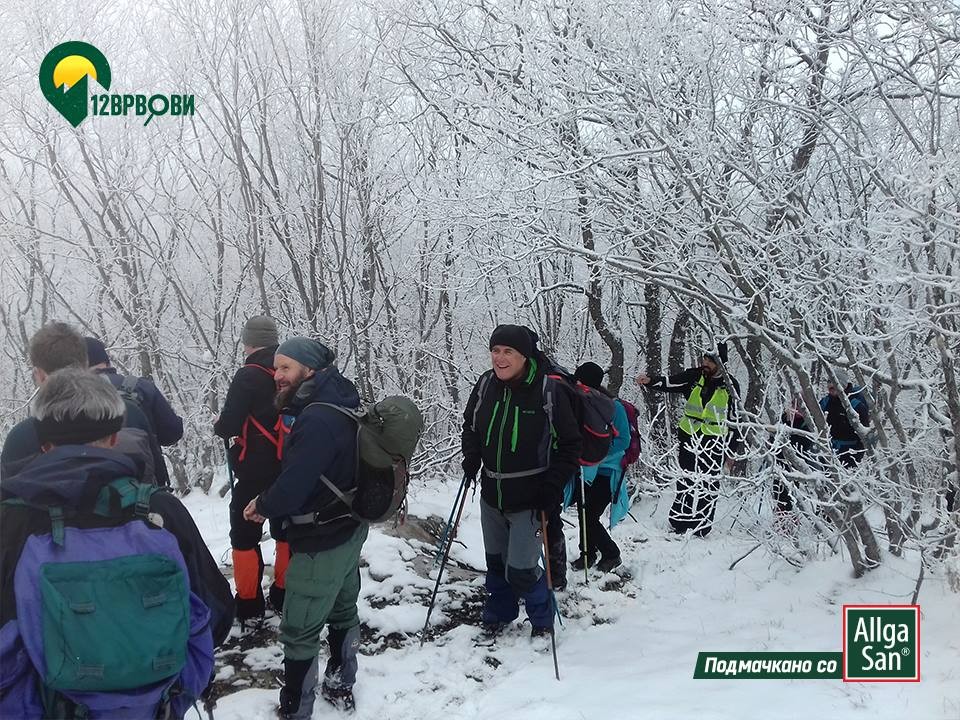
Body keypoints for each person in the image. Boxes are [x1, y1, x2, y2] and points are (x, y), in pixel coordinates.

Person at [0, 369, 232, 718]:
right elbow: (216, 612)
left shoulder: (11, 521)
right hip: (155, 708)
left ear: (44, 444)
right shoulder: (159, 510)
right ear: (113, 438)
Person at [242, 337, 367, 718]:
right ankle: (341, 684)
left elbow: (295, 483)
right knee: (343, 609)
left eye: (286, 368)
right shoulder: (340, 400)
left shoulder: (316, 419)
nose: (277, 375)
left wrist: (262, 505)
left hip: (320, 537)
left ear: (309, 370)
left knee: (299, 629)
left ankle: (296, 708)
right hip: (347, 527)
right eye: (276, 367)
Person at [461, 324, 581, 639]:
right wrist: (472, 455)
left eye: (508, 352)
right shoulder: (486, 384)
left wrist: (552, 486)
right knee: (496, 563)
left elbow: (570, 446)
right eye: (495, 350)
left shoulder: (547, 392)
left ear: (524, 356)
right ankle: (499, 613)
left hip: (531, 497)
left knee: (523, 570)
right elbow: (470, 426)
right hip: (492, 493)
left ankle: (542, 620)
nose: (499, 358)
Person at [1, 323, 158, 483]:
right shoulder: (129, 412)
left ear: (39, 375)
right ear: (86, 364)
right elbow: (158, 476)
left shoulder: (22, 436)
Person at [213, 316, 288, 624]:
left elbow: (229, 425)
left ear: (248, 342)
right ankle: (283, 594)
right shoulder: (289, 370)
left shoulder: (248, 375)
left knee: (244, 535)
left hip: (255, 468)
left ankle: (249, 604)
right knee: (286, 530)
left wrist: (219, 425)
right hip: (288, 466)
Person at [635, 345, 741, 537]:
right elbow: (671, 382)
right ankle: (679, 521)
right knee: (686, 479)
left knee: (709, 483)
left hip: (714, 440)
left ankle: (703, 525)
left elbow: (736, 421)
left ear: (721, 363)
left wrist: (731, 451)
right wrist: (650, 380)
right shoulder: (694, 376)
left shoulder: (730, 385)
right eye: (704, 359)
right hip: (689, 435)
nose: (705, 363)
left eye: (710, 361)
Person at [565, 362, 631, 572]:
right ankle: (587, 554)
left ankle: (612, 554)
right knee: (584, 511)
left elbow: (624, 440)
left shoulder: (614, 407)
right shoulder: (581, 402)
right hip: (587, 470)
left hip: (607, 472)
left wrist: (597, 453)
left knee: (589, 515)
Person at [84, 336, 184, 447]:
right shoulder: (140, 386)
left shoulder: (72, 397)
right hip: (139, 458)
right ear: (107, 362)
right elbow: (172, 433)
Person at [819, 370, 870, 468]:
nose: (830, 386)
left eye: (834, 384)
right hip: (828, 451)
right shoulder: (825, 402)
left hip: (850, 453)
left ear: (843, 385)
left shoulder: (856, 405)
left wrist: (857, 455)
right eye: (829, 383)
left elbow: (864, 434)